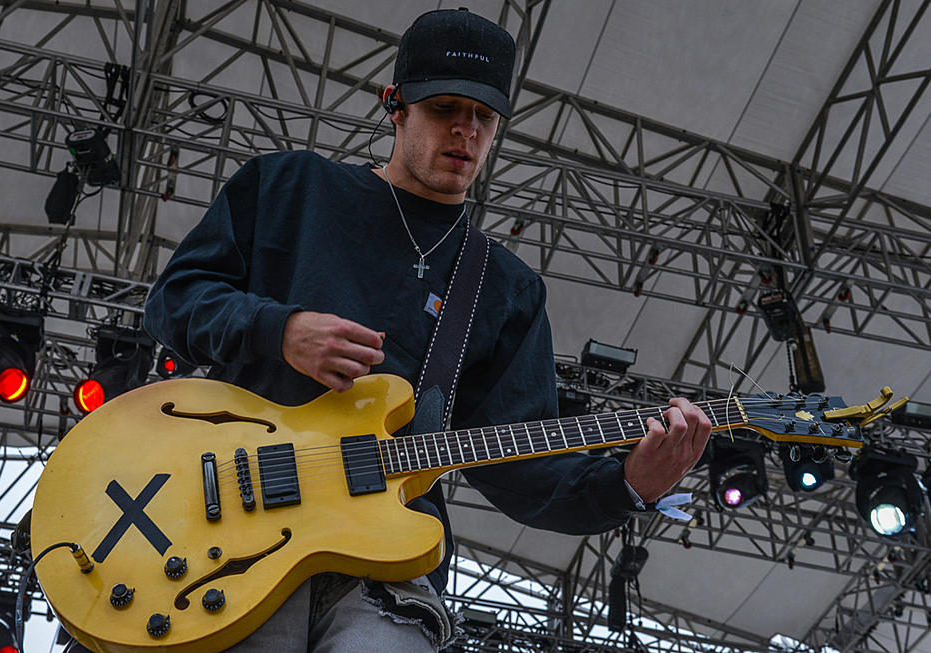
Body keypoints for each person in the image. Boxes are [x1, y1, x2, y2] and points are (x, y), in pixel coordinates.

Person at [143, 8, 711, 653]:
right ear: (396, 107)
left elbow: (525, 469)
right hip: (234, 531)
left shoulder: (503, 286)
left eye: (484, 118)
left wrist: (630, 484)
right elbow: (174, 301)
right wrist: (280, 330)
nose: (465, 131)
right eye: (444, 108)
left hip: (382, 565)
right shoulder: (289, 188)